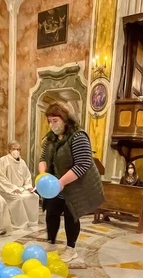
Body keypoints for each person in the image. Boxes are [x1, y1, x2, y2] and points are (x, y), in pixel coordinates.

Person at [38, 102, 104, 263]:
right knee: (51, 213)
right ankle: (51, 243)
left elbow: (82, 164)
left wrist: (61, 182)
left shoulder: (78, 136)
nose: (52, 124)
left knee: (71, 216)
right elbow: (43, 159)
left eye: (55, 120)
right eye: (49, 121)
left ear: (65, 119)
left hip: (74, 184)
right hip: (55, 184)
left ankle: (70, 248)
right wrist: (42, 176)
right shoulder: (50, 139)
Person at [0, 141, 40, 227]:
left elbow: (27, 176)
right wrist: (12, 188)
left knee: (34, 196)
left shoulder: (22, 162)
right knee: (18, 198)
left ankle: (31, 221)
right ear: (9, 150)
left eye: (18, 149)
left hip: (22, 188)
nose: (16, 151)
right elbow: (0, 177)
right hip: (7, 189)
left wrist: (28, 186)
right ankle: (19, 223)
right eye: (14, 149)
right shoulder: (3, 160)